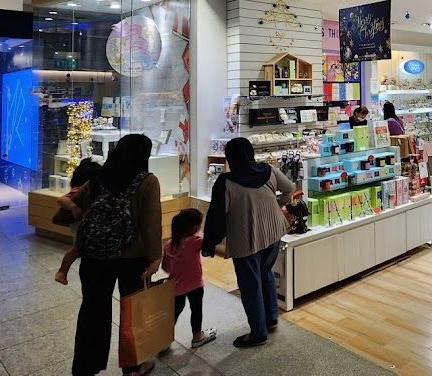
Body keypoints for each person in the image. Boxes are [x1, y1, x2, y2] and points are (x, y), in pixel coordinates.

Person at [70, 134, 161, 376]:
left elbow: (72, 208)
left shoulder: (98, 179)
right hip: (132, 257)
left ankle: (84, 368)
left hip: (95, 256)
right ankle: (132, 366)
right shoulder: (147, 181)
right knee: (132, 312)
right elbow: (151, 223)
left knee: (93, 311)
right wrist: (156, 257)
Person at [203, 137, 295, 348]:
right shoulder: (268, 170)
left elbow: (216, 215)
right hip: (273, 231)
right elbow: (290, 188)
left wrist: (210, 241)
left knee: (249, 284)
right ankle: (271, 318)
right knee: (265, 273)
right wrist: (276, 203)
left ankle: (258, 333)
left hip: (245, 237)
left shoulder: (226, 182)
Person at [162, 208, 216, 349]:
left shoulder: (168, 246)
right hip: (195, 286)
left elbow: (166, 268)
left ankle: (164, 341)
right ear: (194, 228)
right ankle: (197, 337)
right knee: (196, 310)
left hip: (176, 288)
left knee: (174, 313)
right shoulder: (195, 241)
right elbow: (210, 245)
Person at [54, 157, 104, 285]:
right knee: (77, 249)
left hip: (80, 226)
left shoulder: (86, 191)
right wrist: (74, 207)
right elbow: (61, 200)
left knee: (78, 248)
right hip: (79, 226)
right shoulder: (79, 190)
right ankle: (62, 272)